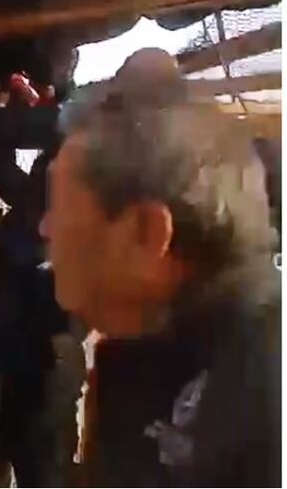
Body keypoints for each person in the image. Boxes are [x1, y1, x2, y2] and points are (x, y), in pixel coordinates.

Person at [0, 47, 186, 486]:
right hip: (39, 292)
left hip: (45, 293)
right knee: (26, 419)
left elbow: (25, 133)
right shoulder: (99, 142)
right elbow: (6, 174)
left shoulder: (117, 127)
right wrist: (3, 117)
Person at [42, 82, 280, 486]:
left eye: (59, 205)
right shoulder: (139, 347)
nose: (45, 227)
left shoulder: (269, 391)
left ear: (147, 232)